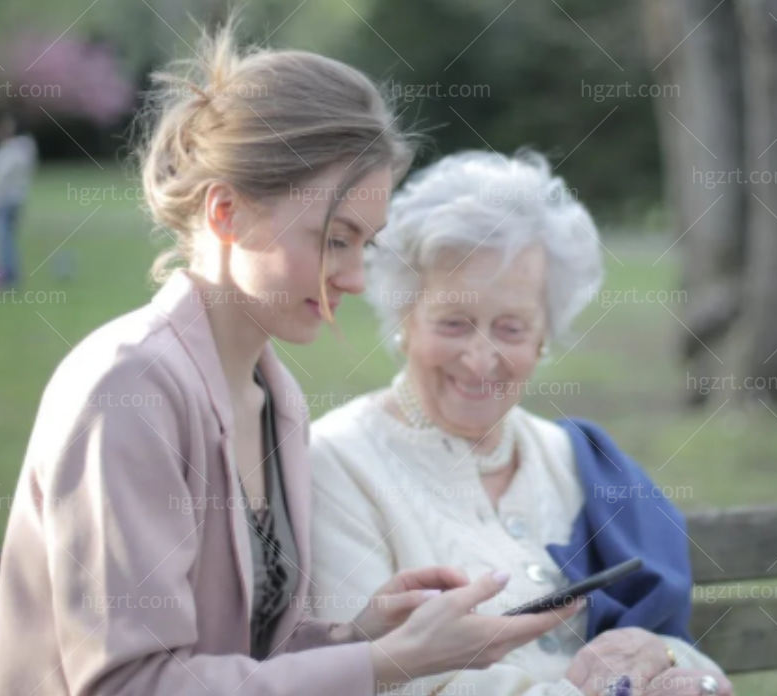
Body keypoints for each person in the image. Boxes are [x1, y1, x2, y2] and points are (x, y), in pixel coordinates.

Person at [0, 23, 574, 696]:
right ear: (228, 212)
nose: (353, 279)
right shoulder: (129, 387)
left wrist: (363, 633)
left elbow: (242, 647)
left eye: (365, 246)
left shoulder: (274, 394)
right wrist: (384, 666)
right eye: (334, 240)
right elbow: (130, 685)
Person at [307, 151, 733, 696]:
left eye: (510, 329)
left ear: (543, 336)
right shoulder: (338, 462)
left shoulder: (576, 459)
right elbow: (380, 679)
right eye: (455, 323)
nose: (480, 360)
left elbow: (692, 662)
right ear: (405, 320)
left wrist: (669, 658)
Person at [0, 113, 37, 286]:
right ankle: (7, 274)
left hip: (5, 202)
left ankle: (9, 276)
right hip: (10, 202)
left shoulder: (12, 152)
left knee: (3, 240)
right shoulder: (16, 151)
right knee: (5, 240)